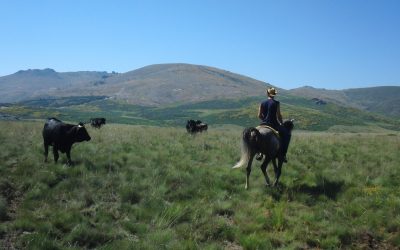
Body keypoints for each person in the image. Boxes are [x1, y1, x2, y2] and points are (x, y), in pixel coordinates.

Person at [257, 87, 291, 162]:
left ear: (267, 93)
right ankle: (283, 155)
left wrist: (264, 120)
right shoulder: (276, 103)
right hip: (273, 124)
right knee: (286, 134)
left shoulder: (262, 103)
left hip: (263, 124)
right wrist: (281, 124)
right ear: (274, 95)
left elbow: (259, 115)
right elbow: (278, 115)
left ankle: (259, 153)